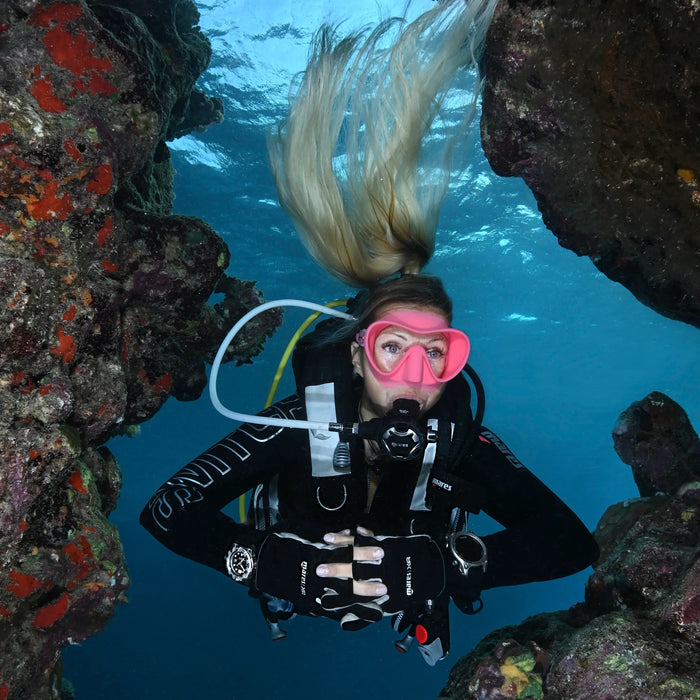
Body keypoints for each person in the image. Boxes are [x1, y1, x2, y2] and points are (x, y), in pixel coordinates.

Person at [140, 0, 599, 665]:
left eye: (436, 354)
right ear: (357, 354)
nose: (417, 374)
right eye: (393, 348)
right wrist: (260, 561)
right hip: (293, 585)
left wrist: (456, 563)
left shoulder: (459, 435)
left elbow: (569, 543)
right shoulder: (299, 422)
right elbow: (169, 510)